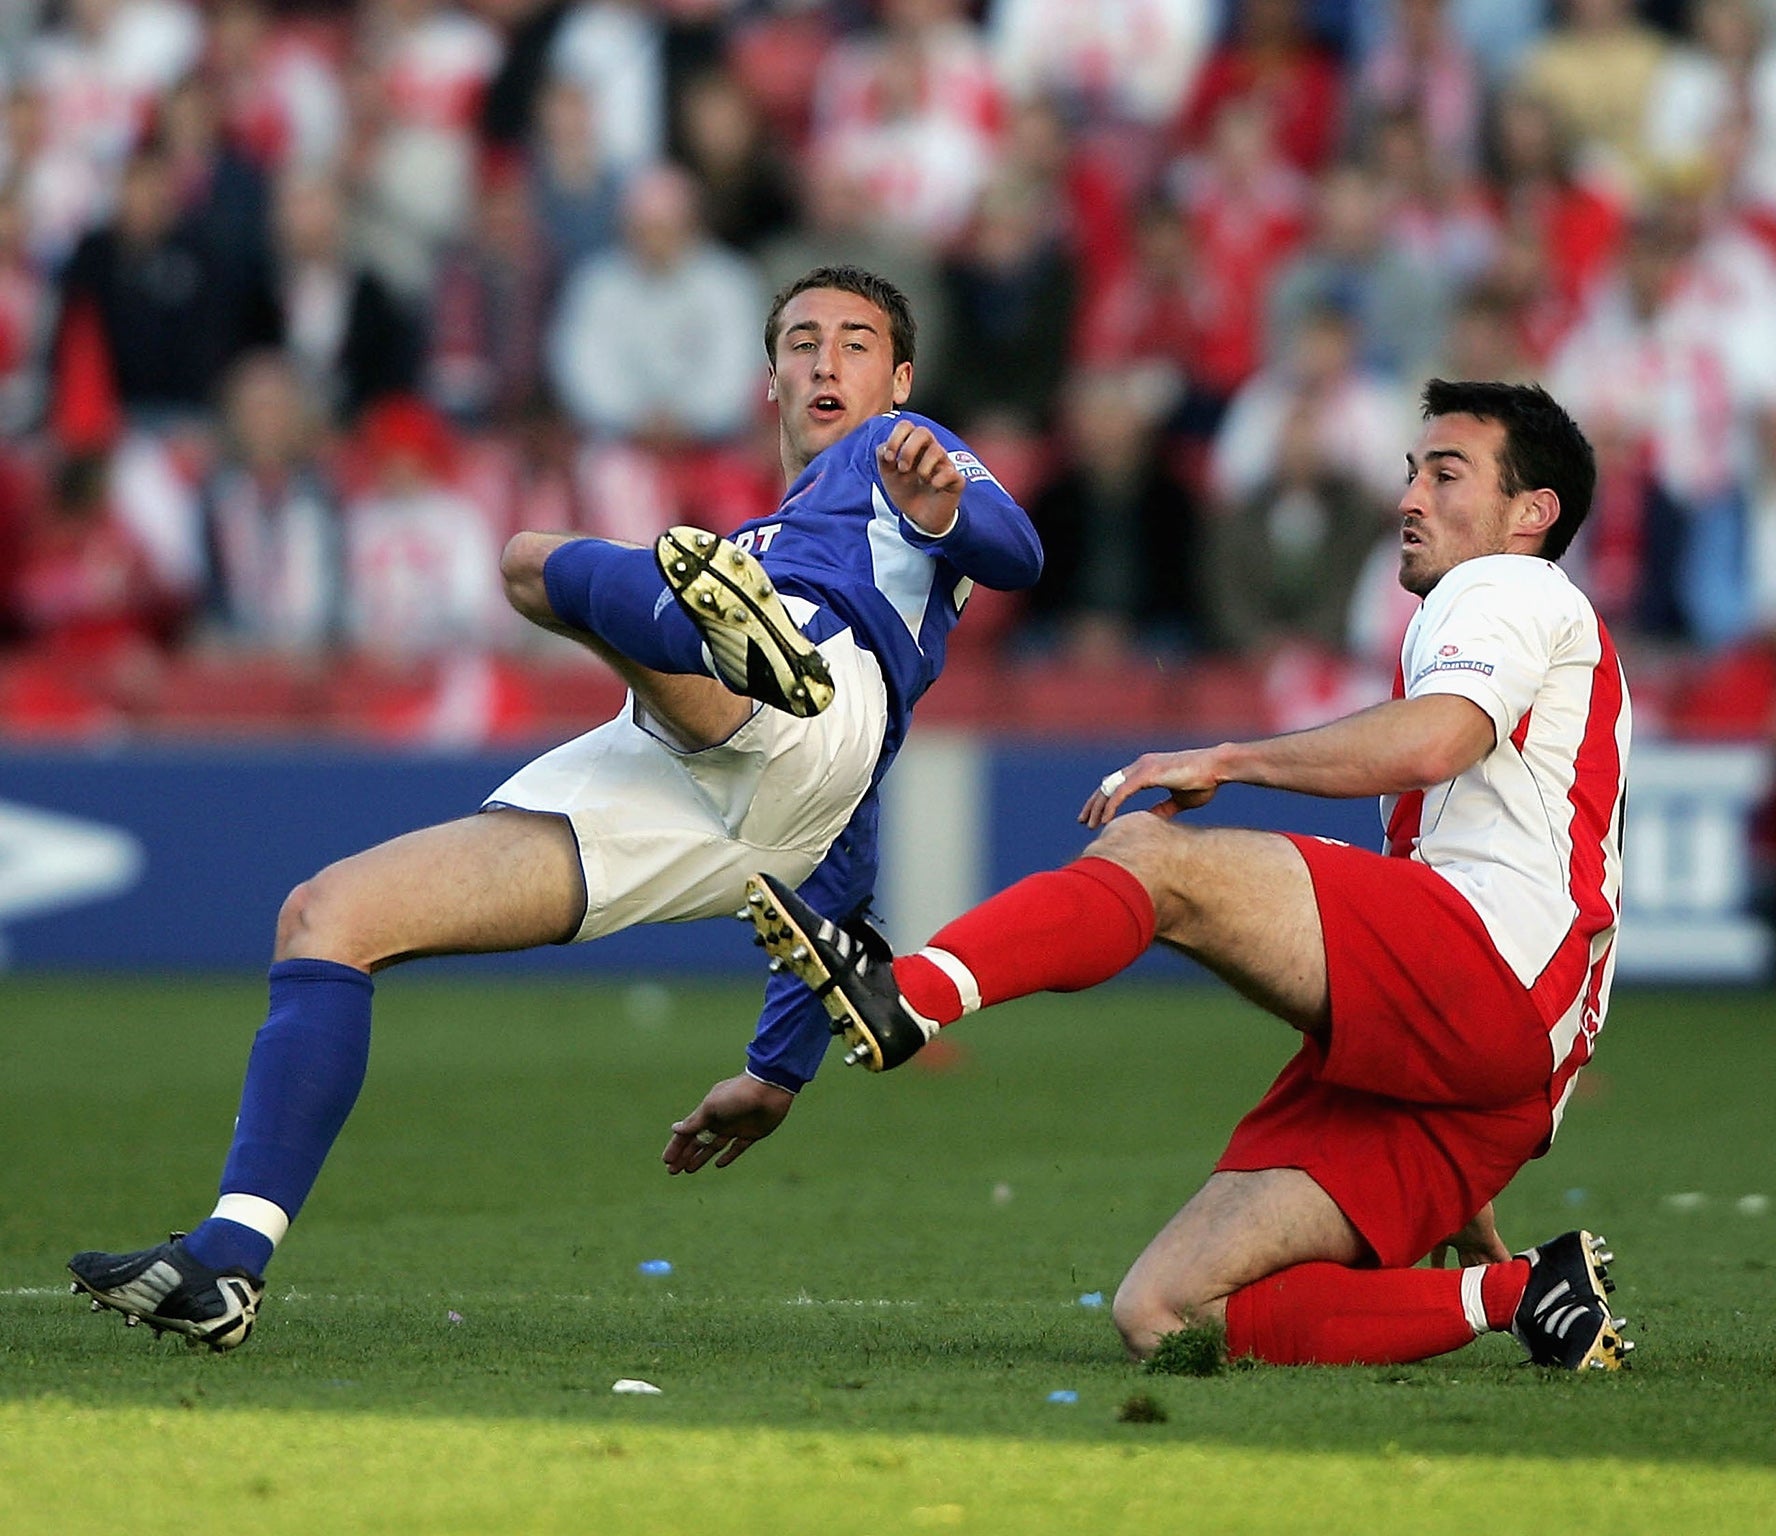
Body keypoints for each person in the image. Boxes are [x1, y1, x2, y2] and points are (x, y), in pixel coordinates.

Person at [67, 265, 1044, 1350]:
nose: (826, 359)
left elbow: (1017, 549)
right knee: (327, 916)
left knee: (531, 561)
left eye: (857, 343)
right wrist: (775, 1072)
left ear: (898, 378)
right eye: (802, 340)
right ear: (769, 379)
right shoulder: (776, 529)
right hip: (724, 788)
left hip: (802, 700)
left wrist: (949, 499)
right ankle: (224, 1264)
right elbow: (829, 848)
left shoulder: (894, 458)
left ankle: (723, 646)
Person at [745, 379, 1636, 1373]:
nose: (1408, 498)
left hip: (1491, 970)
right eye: (1409, 472)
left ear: (1532, 514)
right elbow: (1422, 937)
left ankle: (905, 995)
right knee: (1166, 1310)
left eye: (1444, 472)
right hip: (1494, 1057)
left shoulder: (1507, 586)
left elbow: (1435, 742)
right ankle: (1522, 1294)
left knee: (1151, 858)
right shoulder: (1514, 617)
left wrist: (1225, 758)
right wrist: (1467, 1204)